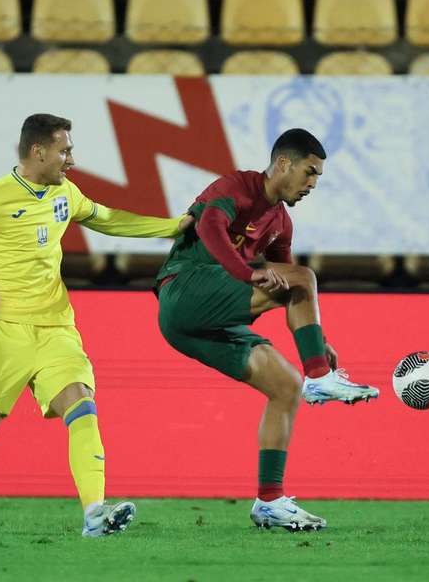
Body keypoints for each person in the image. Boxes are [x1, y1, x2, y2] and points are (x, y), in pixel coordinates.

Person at [0, 113, 192, 537]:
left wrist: (173, 227)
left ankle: (94, 515)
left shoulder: (65, 192)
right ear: (38, 151)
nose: (72, 159)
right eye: (65, 150)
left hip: (55, 328)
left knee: (82, 405)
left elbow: (108, 219)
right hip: (1, 331)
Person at [155, 128, 379, 532]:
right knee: (303, 278)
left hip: (200, 327)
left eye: (318, 178)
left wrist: (319, 342)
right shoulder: (236, 187)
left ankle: (270, 500)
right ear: (283, 164)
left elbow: (292, 289)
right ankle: (320, 378)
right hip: (183, 289)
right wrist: (248, 275)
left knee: (286, 386)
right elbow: (208, 228)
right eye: (310, 172)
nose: (313, 184)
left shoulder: (281, 224)